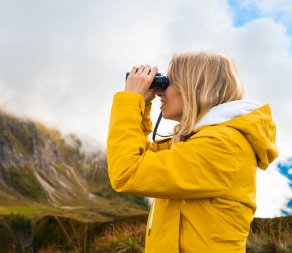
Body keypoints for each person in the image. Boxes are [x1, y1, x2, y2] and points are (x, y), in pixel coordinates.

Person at [107, 51, 278, 253]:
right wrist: (141, 105)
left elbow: (128, 171)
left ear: (194, 87)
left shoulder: (222, 146)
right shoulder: (195, 142)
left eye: (169, 82)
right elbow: (138, 155)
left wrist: (129, 100)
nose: (161, 91)